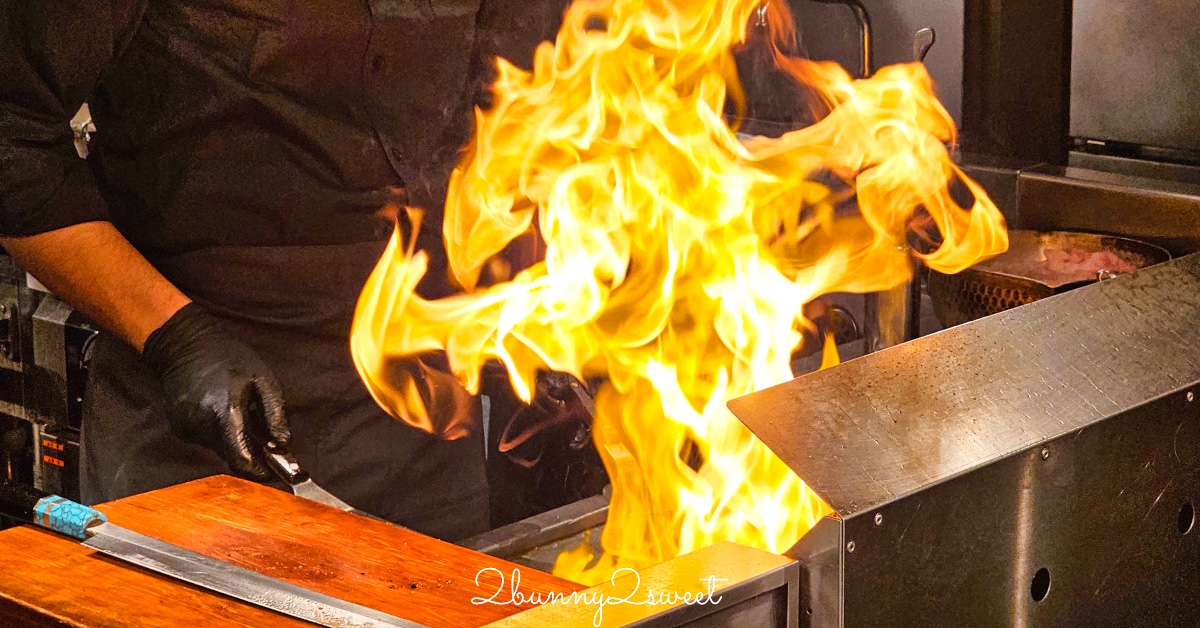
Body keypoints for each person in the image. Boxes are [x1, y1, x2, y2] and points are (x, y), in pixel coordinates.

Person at [0, 0, 567, 541]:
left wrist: (521, 309)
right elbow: (12, 141)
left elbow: (528, 108)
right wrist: (178, 338)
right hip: (191, 412)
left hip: (421, 419)